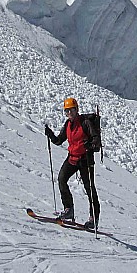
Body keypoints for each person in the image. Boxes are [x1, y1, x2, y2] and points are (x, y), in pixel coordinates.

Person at [44, 97, 100, 229]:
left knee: (89, 189)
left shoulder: (85, 123)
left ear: (76, 110)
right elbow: (59, 140)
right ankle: (68, 209)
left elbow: (96, 141)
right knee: (61, 179)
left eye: (71, 110)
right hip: (72, 158)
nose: (69, 113)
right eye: (67, 111)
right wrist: (50, 135)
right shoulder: (68, 124)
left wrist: (90, 145)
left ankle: (93, 218)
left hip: (85, 160)